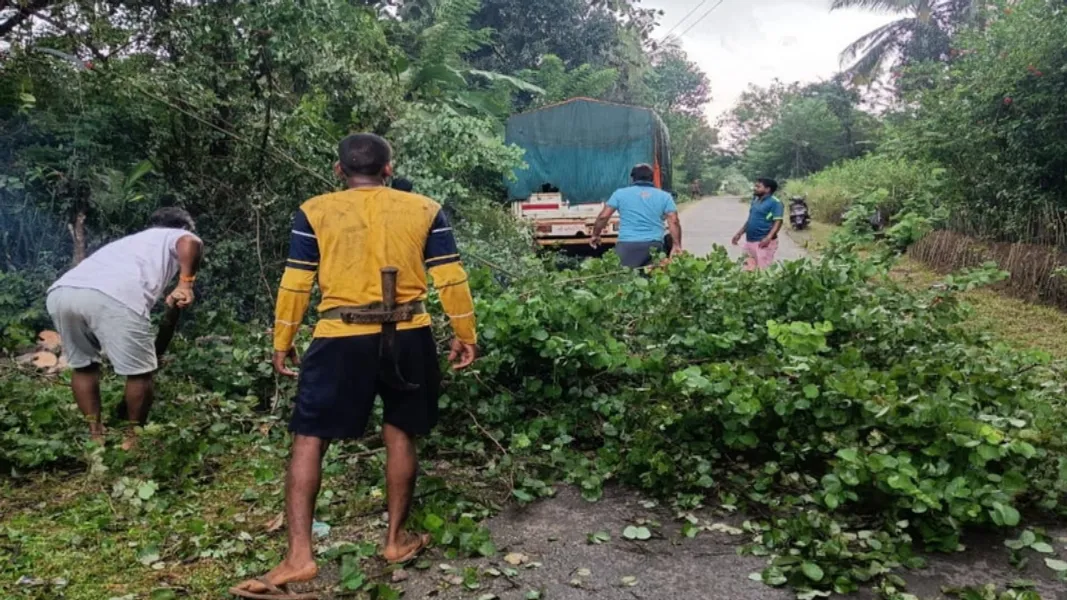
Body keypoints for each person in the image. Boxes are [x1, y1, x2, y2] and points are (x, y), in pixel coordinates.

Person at [231, 134, 478, 599]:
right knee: (400, 431)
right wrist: (466, 333)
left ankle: (299, 557)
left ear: (339, 170)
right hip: (408, 333)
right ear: (389, 169)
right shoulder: (424, 208)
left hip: (339, 335)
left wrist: (283, 340)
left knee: (309, 438)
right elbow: (450, 276)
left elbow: (296, 282)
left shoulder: (315, 211)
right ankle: (395, 541)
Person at [45, 207, 202, 449]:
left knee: (84, 367)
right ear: (182, 226)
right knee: (140, 372)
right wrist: (185, 284)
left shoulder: (132, 242)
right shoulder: (177, 235)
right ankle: (132, 439)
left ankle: (96, 436)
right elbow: (190, 242)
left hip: (63, 293)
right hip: (114, 296)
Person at [590, 164, 682, 268]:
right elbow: (674, 221)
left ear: (632, 178)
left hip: (626, 247)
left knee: (624, 276)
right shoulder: (664, 196)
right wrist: (676, 245)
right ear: (652, 178)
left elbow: (603, 217)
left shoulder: (620, 194)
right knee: (655, 276)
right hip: (654, 246)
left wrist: (595, 235)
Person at [732, 178, 784, 271]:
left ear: (767, 189)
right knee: (748, 270)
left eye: (758, 187)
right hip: (749, 241)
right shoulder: (755, 200)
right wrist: (739, 233)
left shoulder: (775, 203)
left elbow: (778, 221)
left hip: (763, 242)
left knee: (763, 271)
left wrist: (768, 238)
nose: (755, 188)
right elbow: (751, 219)